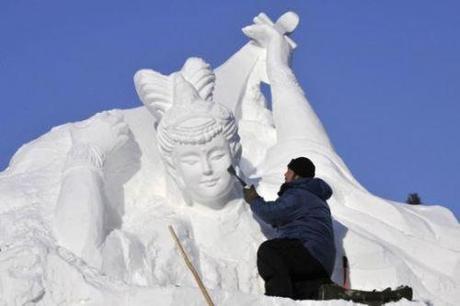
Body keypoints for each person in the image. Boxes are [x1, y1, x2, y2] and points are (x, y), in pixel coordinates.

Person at [243, 156, 335, 300]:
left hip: (308, 251)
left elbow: (272, 213)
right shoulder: (317, 198)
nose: (285, 174)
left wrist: (254, 199)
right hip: (322, 264)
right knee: (297, 289)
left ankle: (278, 300)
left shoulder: (299, 194)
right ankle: (327, 293)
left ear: (297, 175)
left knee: (269, 251)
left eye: (289, 171)